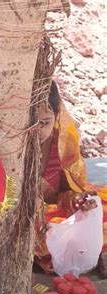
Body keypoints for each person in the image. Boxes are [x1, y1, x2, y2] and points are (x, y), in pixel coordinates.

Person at [34, 81, 107, 275]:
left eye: (45, 122)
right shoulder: (8, 146)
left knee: (97, 210)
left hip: (52, 212)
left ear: (57, 117)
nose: (36, 130)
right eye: (30, 121)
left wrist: (75, 200)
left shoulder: (60, 144)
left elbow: (68, 190)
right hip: (25, 219)